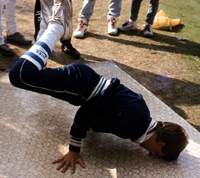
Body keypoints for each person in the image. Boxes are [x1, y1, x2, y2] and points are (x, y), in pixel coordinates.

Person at [9, 0, 188, 174]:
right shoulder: (134, 126)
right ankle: (57, 26)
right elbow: (87, 112)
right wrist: (74, 149)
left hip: (85, 80)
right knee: (21, 75)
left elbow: (104, 111)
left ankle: (50, 29)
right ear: (161, 144)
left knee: (36, 73)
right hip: (80, 86)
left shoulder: (142, 115)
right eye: (155, 152)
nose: (148, 152)